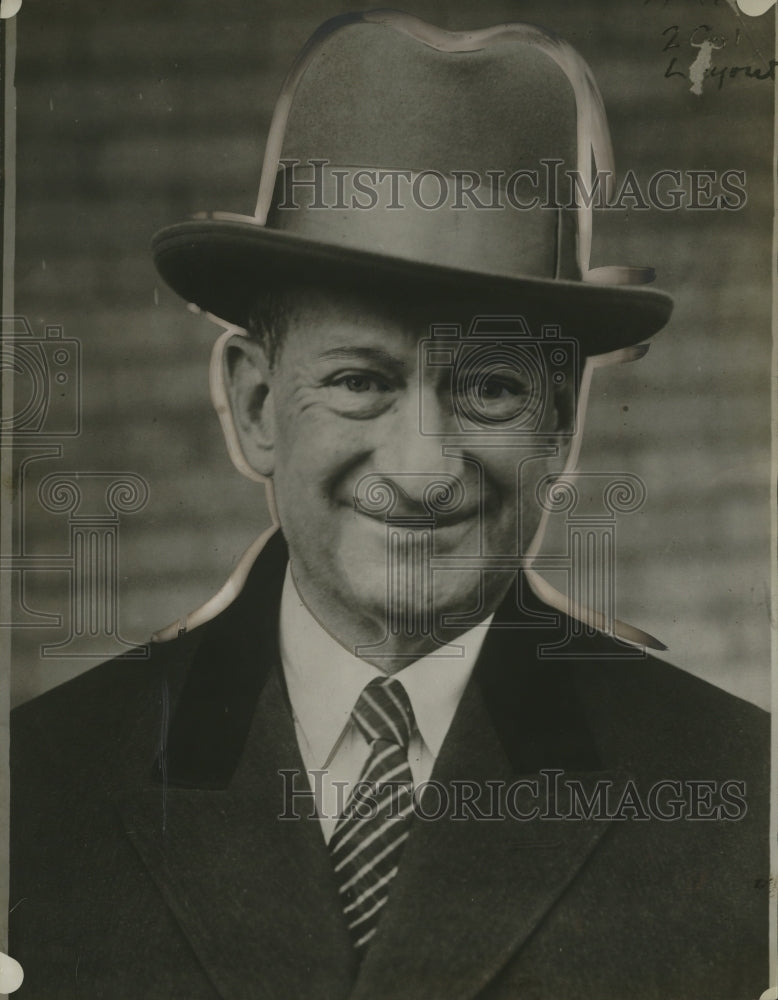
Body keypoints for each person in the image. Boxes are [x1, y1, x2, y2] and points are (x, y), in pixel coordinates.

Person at [9, 11, 769, 999]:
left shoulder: (742, 793)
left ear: (562, 422)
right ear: (253, 405)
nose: (422, 468)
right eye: (362, 380)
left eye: (488, 388)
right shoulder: (36, 787)